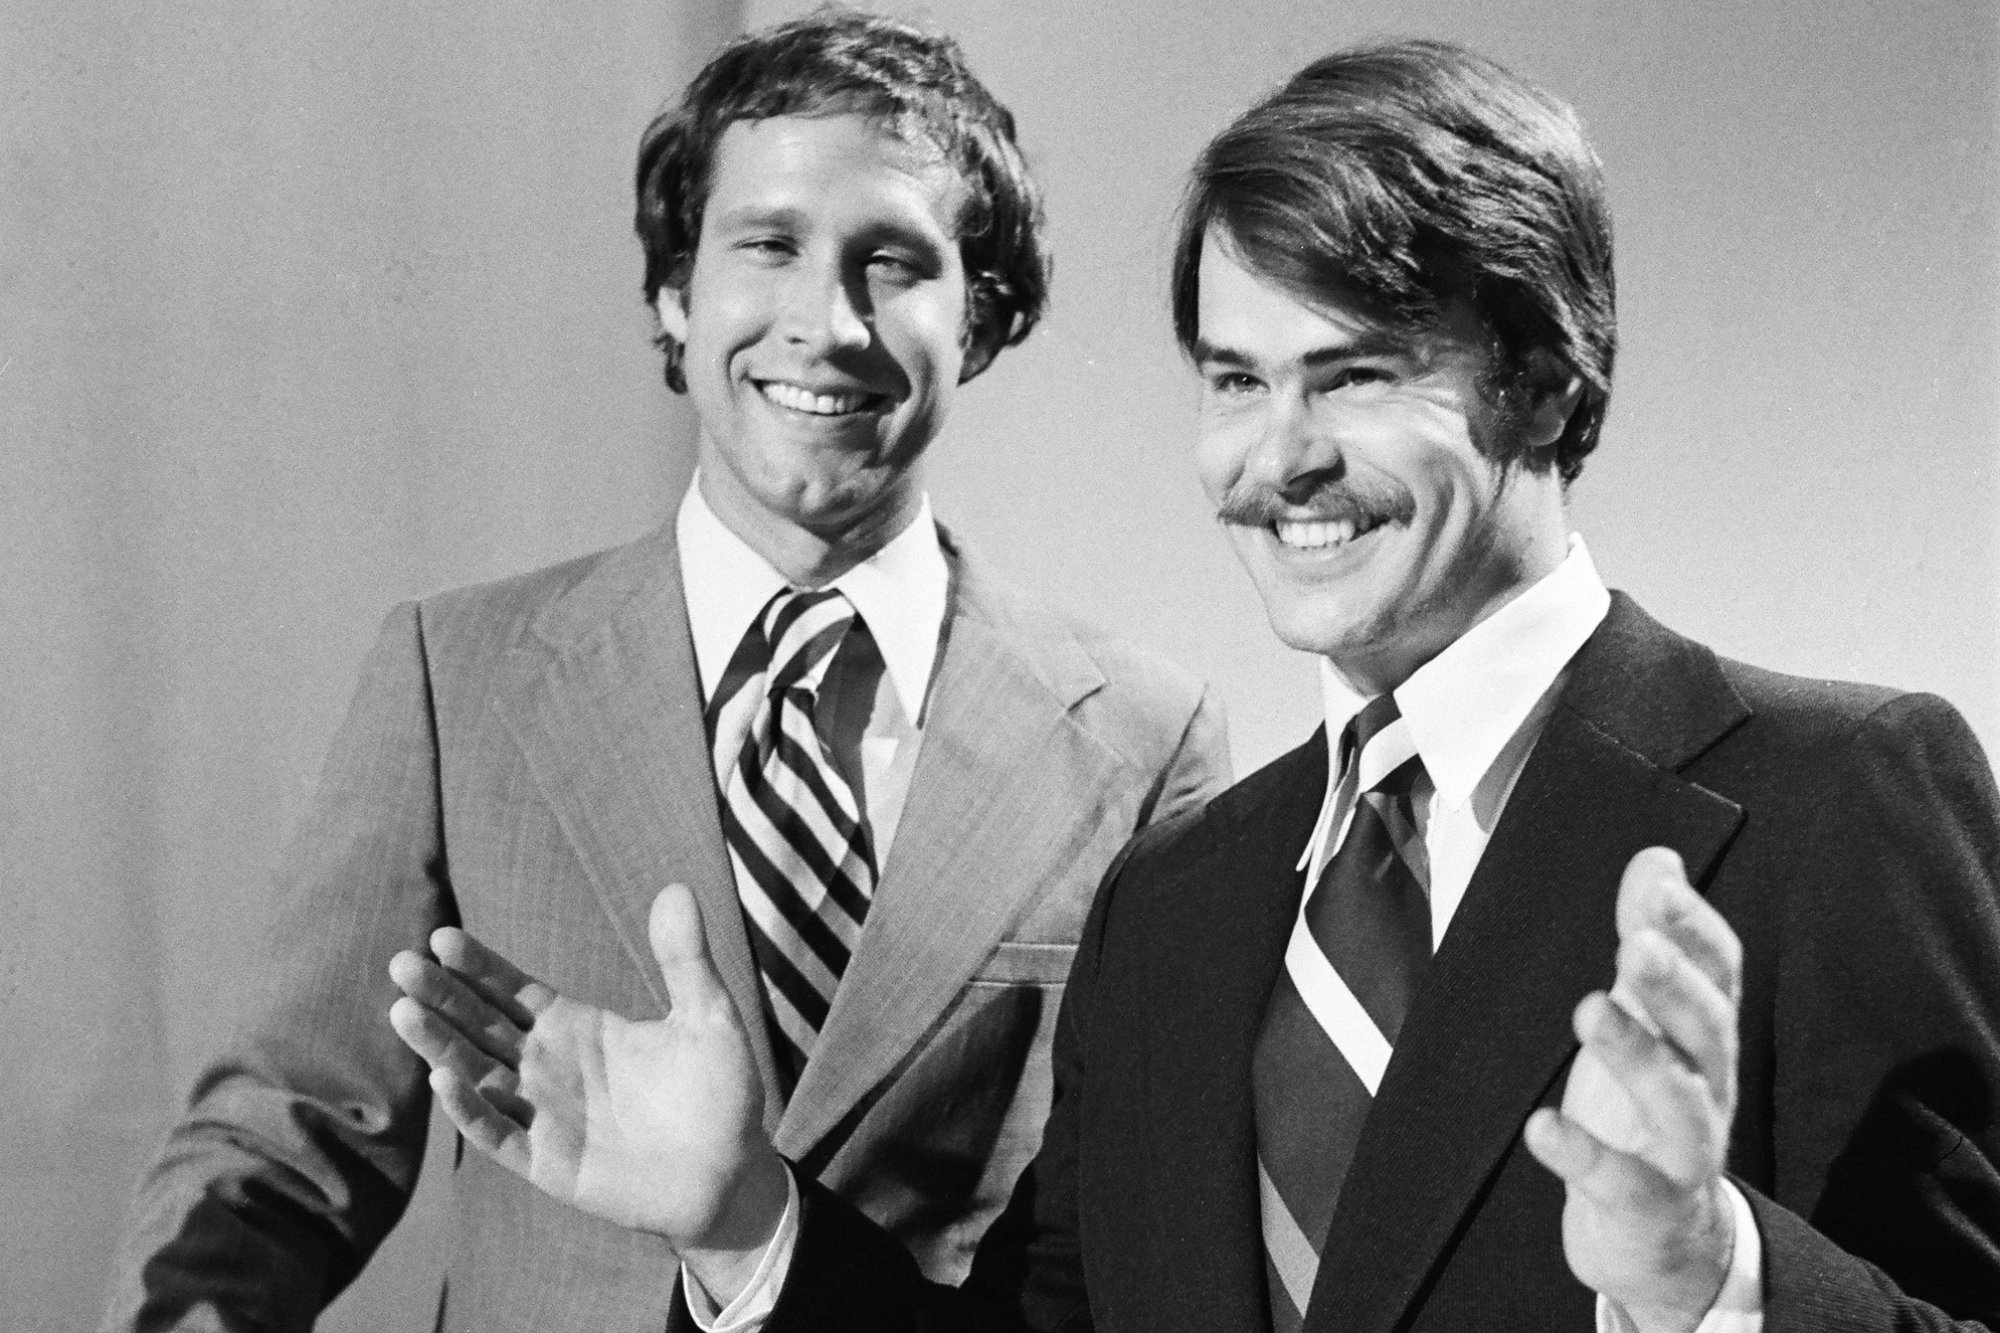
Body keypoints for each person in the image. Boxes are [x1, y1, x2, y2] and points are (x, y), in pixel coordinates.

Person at [386, 36, 2000, 1333]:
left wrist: (1716, 1279)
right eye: (1237, 380)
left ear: (1547, 379)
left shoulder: (1839, 796)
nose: (1278, 457)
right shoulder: (1180, 903)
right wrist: (744, 1215)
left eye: (1355, 374)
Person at [100, 12, 1230, 1332]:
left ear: (976, 318)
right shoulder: (456, 679)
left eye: (894, 263)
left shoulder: (1148, 743)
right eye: (770, 246)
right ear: (675, 295)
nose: (827, 322)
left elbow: (1121, 1264)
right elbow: (277, 1161)